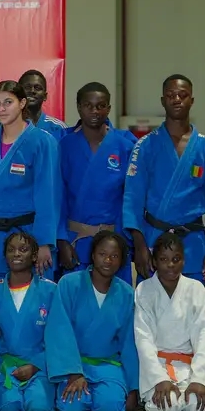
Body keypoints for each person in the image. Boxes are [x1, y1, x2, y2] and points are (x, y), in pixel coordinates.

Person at [123, 74, 205, 283]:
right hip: (154, 241)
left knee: (192, 300)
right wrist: (139, 245)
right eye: (170, 95)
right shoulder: (145, 146)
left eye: (182, 95)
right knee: (150, 301)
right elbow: (132, 197)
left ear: (191, 100)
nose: (176, 99)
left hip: (192, 243)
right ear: (162, 100)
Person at [0, 233, 81, 411]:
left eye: (23, 249)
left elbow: (59, 336)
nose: (16, 254)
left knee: (39, 406)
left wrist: (36, 365)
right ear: (5, 256)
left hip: (40, 367)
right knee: (9, 407)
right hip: (6, 367)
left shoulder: (51, 290)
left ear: (34, 256)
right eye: (11, 250)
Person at [0, 80, 60, 287]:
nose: (2, 109)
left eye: (8, 102)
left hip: (28, 235)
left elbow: (48, 195)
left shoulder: (42, 141)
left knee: (33, 298)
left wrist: (44, 242)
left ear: (22, 103)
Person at [57, 83, 137, 282]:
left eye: (100, 106)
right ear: (79, 107)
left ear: (108, 109)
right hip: (75, 241)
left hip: (114, 243)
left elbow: (131, 200)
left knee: (116, 298)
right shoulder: (65, 145)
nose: (94, 111)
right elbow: (57, 198)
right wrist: (61, 239)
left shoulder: (124, 146)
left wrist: (128, 242)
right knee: (75, 297)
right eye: (88, 106)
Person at [55, 231, 139, 411]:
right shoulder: (69, 284)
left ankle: (106, 394)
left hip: (108, 366)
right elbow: (60, 332)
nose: (108, 260)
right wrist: (74, 372)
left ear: (122, 261)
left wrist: (133, 388)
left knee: (112, 407)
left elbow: (129, 343)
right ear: (93, 255)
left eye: (114, 256)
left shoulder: (126, 293)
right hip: (75, 365)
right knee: (72, 408)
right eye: (102, 254)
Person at [134, 232, 205, 411]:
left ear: (184, 261)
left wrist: (200, 379)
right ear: (154, 262)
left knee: (199, 409)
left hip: (188, 368)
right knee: (166, 407)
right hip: (157, 366)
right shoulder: (144, 290)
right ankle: (161, 391)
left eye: (176, 259)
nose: (170, 264)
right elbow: (143, 339)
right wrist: (159, 379)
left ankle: (189, 391)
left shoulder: (196, 289)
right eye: (164, 259)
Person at [17, 70, 67, 141]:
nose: (32, 91)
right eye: (27, 87)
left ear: (45, 96)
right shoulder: (8, 126)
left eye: (37, 88)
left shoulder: (58, 127)